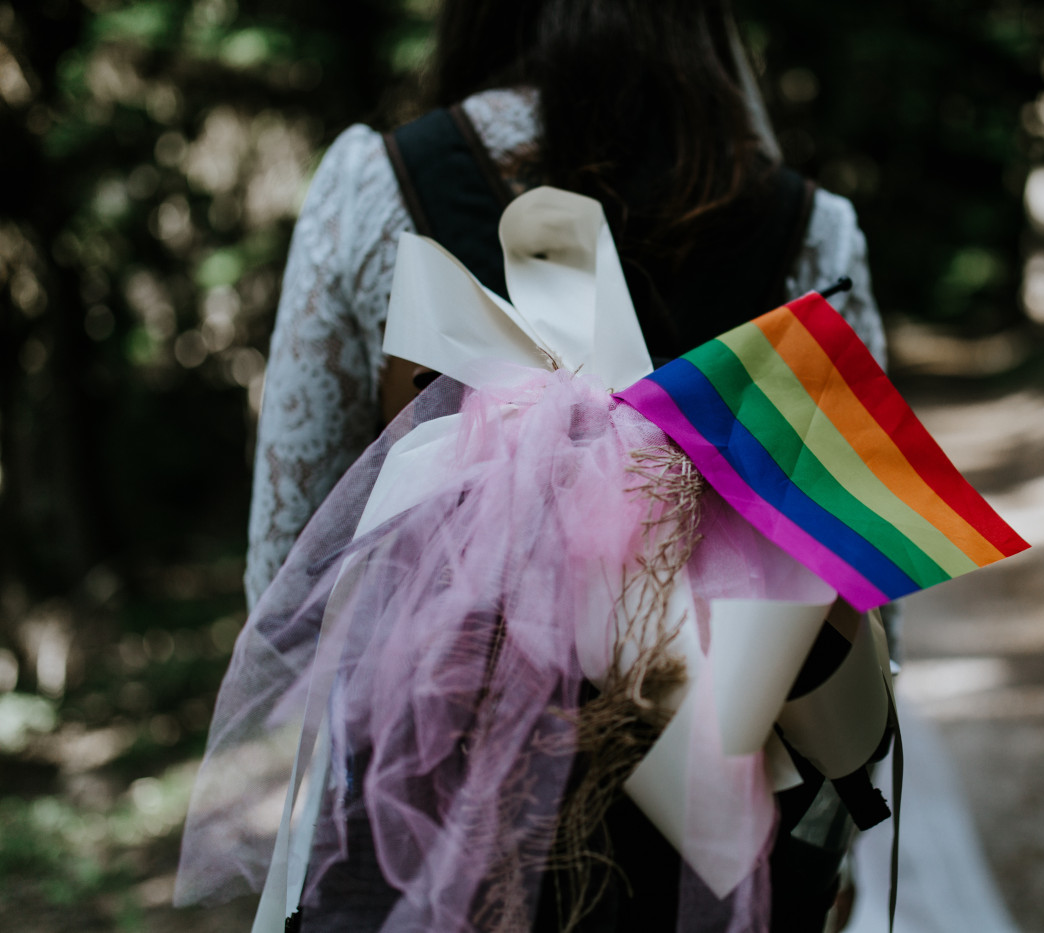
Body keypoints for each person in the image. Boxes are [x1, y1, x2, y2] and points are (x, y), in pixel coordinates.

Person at [194, 2, 894, 931]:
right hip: (719, 833)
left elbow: (292, 563)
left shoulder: (378, 186)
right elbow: (862, 584)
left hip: (428, 838)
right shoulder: (809, 229)